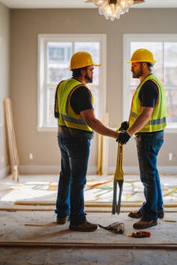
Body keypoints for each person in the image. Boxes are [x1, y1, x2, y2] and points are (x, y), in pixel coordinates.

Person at [54, 51, 119, 232]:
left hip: (62, 136)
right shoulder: (81, 91)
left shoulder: (63, 85)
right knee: (78, 180)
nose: (93, 72)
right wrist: (116, 135)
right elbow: (92, 122)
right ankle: (77, 220)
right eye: (91, 69)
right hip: (77, 140)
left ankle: (61, 213)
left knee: (66, 175)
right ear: (83, 70)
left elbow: (57, 113)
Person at [117, 48, 167, 229]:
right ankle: (155, 208)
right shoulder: (149, 82)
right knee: (152, 173)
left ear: (144, 65)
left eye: (135, 64)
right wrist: (128, 125)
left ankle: (150, 216)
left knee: (148, 176)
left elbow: (146, 115)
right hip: (151, 134)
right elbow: (144, 114)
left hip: (149, 136)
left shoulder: (148, 85)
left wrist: (128, 134)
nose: (132, 68)